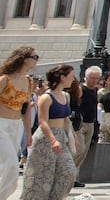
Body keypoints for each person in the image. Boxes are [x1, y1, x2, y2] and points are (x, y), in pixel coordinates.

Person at [21, 64, 79, 200]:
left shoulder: (65, 96)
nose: (73, 79)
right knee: (42, 177)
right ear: (62, 77)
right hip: (45, 138)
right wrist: (52, 140)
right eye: (71, 76)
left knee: (68, 172)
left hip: (61, 136)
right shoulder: (46, 98)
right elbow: (43, 121)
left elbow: (66, 119)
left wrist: (73, 136)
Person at [70, 65, 100, 187]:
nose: (94, 80)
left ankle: (74, 176)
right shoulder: (81, 89)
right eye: (92, 78)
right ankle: (68, 173)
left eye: (96, 78)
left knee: (84, 151)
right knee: (79, 149)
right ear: (86, 77)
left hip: (90, 123)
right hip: (80, 124)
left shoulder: (95, 90)